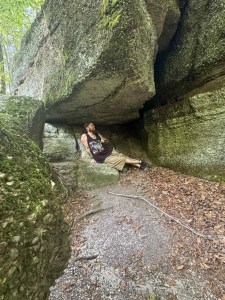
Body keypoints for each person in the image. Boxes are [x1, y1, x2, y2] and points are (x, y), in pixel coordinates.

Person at [81, 122, 150, 171]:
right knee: (121, 159)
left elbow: (105, 140)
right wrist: (93, 158)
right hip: (102, 156)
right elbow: (87, 148)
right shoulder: (84, 136)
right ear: (87, 128)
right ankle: (141, 162)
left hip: (108, 150)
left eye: (93, 125)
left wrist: (103, 140)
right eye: (92, 125)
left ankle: (140, 166)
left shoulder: (97, 134)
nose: (94, 126)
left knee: (123, 156)